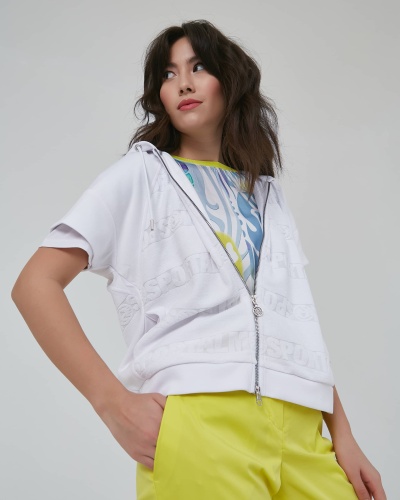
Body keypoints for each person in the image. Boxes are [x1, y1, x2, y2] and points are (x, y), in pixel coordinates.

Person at [12, 19, 386, 500]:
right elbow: (34, 284)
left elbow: (295, 322)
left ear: (231, 82)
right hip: (201, 425)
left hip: (302, 430)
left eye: (199, 67)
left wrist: (344, 436)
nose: (183, 83)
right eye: (169, 74)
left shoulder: (267, 194)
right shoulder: (142, 175)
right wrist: (111, 403)